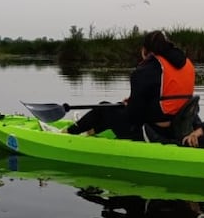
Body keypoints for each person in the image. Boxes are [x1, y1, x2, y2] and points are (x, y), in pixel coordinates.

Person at [66, 30, 196, 140]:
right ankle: (88, 133)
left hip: (152, 132)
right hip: (178, 128)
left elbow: (134, 116)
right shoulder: (187, 64)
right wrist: (132, 102)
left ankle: (68, 134)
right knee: (114, 111)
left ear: (145, 50)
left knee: (104, 108)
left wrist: (130, 105)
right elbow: (165, 95)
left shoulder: (146, 69)